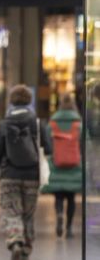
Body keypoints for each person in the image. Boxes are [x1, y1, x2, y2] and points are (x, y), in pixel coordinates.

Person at [0, 85, 53, 260]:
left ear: (11, 101)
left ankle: (15, 240)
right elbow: (48, 148)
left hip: (10, 174)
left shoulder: (4, 123)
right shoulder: (38, 123)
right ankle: (26, 248)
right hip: (32, 175)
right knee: (28, 213)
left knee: (11, 211)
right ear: (29, 101)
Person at [41, 94, 82, 239]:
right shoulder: (78, 124)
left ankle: (59, 213)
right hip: (74, 164)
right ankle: (69, 228)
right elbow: (84, 143)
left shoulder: (52, 124)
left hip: (57, 163)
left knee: (58, 195)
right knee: (71, 198)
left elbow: (46, 142)